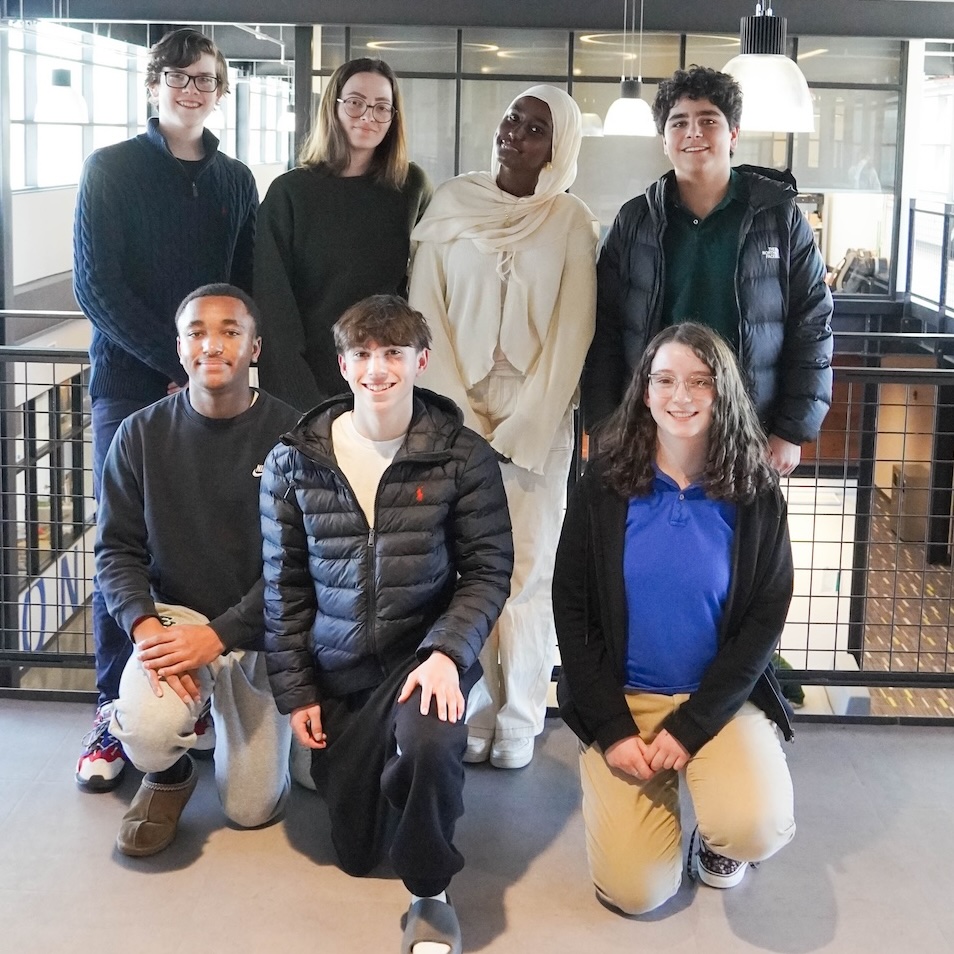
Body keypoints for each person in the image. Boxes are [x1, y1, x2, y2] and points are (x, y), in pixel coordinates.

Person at [261, 295, 513, 954]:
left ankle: (431, 893)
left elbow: (487, 571)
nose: (378, 369)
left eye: (394, 354)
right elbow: (285, 589)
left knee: (429, 740)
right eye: (363, 354)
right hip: (339, 666)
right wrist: (297, 691)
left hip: (420, 655)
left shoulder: (462, 456)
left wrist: (446, 654)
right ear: (343, 365)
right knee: (354, 851)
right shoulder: (293, 461)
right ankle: (385, 773)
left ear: (420, 361)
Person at [553, 322, 796, 916]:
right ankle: (626, 792)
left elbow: (764, 619)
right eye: (664, 380)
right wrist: (610, 728)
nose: (681, 396)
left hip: (717, 703)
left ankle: (716, 845)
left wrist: (692, 728)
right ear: (645, 391)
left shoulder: (756, 491)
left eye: (699, 381)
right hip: (624, 703)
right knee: (636, 893)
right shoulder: (601, 485)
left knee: (755, 828)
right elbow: (573, 608)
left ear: (723, 391)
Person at [73, 28, 258, 792]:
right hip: (131, 385)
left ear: (220, 91)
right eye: (178, 76)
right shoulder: (111, 168)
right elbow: (95, 285)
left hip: (213, 390)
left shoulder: (236, 180)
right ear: (153, 85)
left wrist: (218, 367)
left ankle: (196, 696)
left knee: (211, 535)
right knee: (127, 543)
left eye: (205, 78)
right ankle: (114, 714)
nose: (191, 89)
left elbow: (243, 287)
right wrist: (173, 362)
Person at [408, 84, 598, 769]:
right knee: (462, 565)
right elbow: (423, 309)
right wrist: (457, 415)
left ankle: (519, 715)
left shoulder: (571, 220)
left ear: (559, 147)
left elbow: (574, 329)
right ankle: (472, 710)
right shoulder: (451, 204)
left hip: (538, 410)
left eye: (536, 127)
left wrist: (525, 424)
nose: (515, 131)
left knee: (526, 569)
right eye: (513, 118)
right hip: (452, 400)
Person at [95, 284, 299, 857]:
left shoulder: (294, 437)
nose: (212, 344)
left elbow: (299, 564)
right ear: (180, 347)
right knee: (145, 730)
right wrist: (146, 630)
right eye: (197, 332)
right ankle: (169, 775)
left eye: (230, 332)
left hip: (262, 629)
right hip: (175, 620)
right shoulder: (139, 435)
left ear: (255, 348)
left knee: (251, 809)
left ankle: (276, 743)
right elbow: (116, 550)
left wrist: (222, 634)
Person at [582, 65, 833, 477]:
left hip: (750, 426)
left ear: (733, 134)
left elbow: (812, 324)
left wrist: (791, 429)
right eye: (679, 122)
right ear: (664, 139)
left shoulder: (779, 218)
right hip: (651, 427)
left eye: (708, 120)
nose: (693, 132)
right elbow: (604, 326)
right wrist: (606, 424)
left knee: (739, 521)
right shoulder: (635, 220)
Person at [254, 58, 432, 412]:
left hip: (386, 381)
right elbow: (273, 306)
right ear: (333, 107)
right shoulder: (290, 193)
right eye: (355, 102)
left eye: (381, 107)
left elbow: (428, 281)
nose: (368, 115)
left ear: (393, 118)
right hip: (307, 384)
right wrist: (302, 402)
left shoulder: (411, 186)